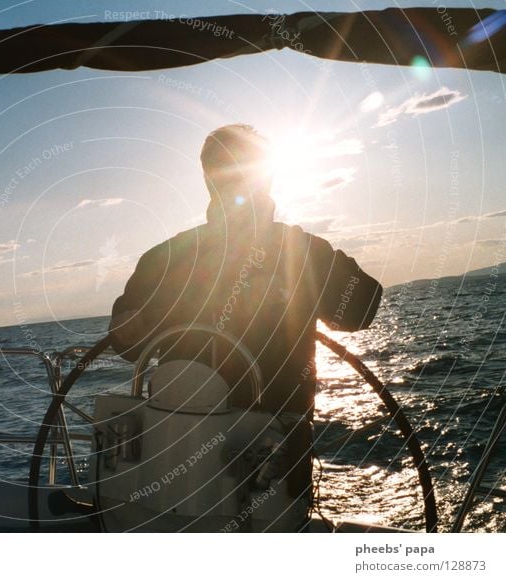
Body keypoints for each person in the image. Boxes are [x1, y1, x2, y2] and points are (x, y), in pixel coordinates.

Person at [109, 124, 382, 527]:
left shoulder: (164, 258)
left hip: (173, 469)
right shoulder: (303, 251)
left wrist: (144, 319)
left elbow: (124, 341)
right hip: (271, 465)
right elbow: (363, 308)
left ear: (206, 179)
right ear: (268, 175)